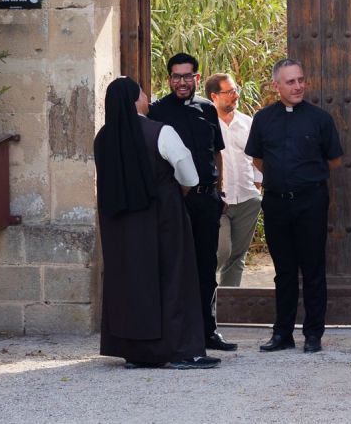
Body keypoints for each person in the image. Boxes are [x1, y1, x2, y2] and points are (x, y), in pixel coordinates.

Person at [93, 77, 220, 369]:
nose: (147, 97)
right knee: (174, 277)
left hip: (119, 225)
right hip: (162, 217)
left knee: (131, 281)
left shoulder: (103, 137)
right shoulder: (161, 132)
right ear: (134, 100)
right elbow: (190, 176)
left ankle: (136, 352)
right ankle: (181, 351)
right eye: (142, 92)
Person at [245, 58, 343, 353]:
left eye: (301, 79)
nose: (298, 86)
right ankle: (282, 334)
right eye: (291, 81)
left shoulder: (320, 119)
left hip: (311, 202)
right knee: (283, 270)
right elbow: (257, 159)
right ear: (277, 86)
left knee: (313, 269)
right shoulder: (263, 119)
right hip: (276, 204)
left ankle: (313, 334)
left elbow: (334, 159)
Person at [147, 53, 237, 352]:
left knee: (206, 265)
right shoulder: (156, 111)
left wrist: (220, 193)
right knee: (172, 265)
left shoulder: (208, 109)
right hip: (174, 202)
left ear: (197, 78)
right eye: (176, 76)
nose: (182, 82)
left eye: (187, 76)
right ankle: (174, 332)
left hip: (206, 200)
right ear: (169, 78)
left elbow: (217, 154)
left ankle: (208, 331)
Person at [205, 73, 264, 287]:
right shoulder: (206, 125)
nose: (236, 95)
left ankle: (227, 305)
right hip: (220, 201)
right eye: (229, 92)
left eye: (235, 90)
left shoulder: (248, 123)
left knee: (237, 257)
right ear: (214, 96)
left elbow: (258, 157)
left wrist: (257, 186)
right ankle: (204, 293)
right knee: (222, 251)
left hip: (248, 199)